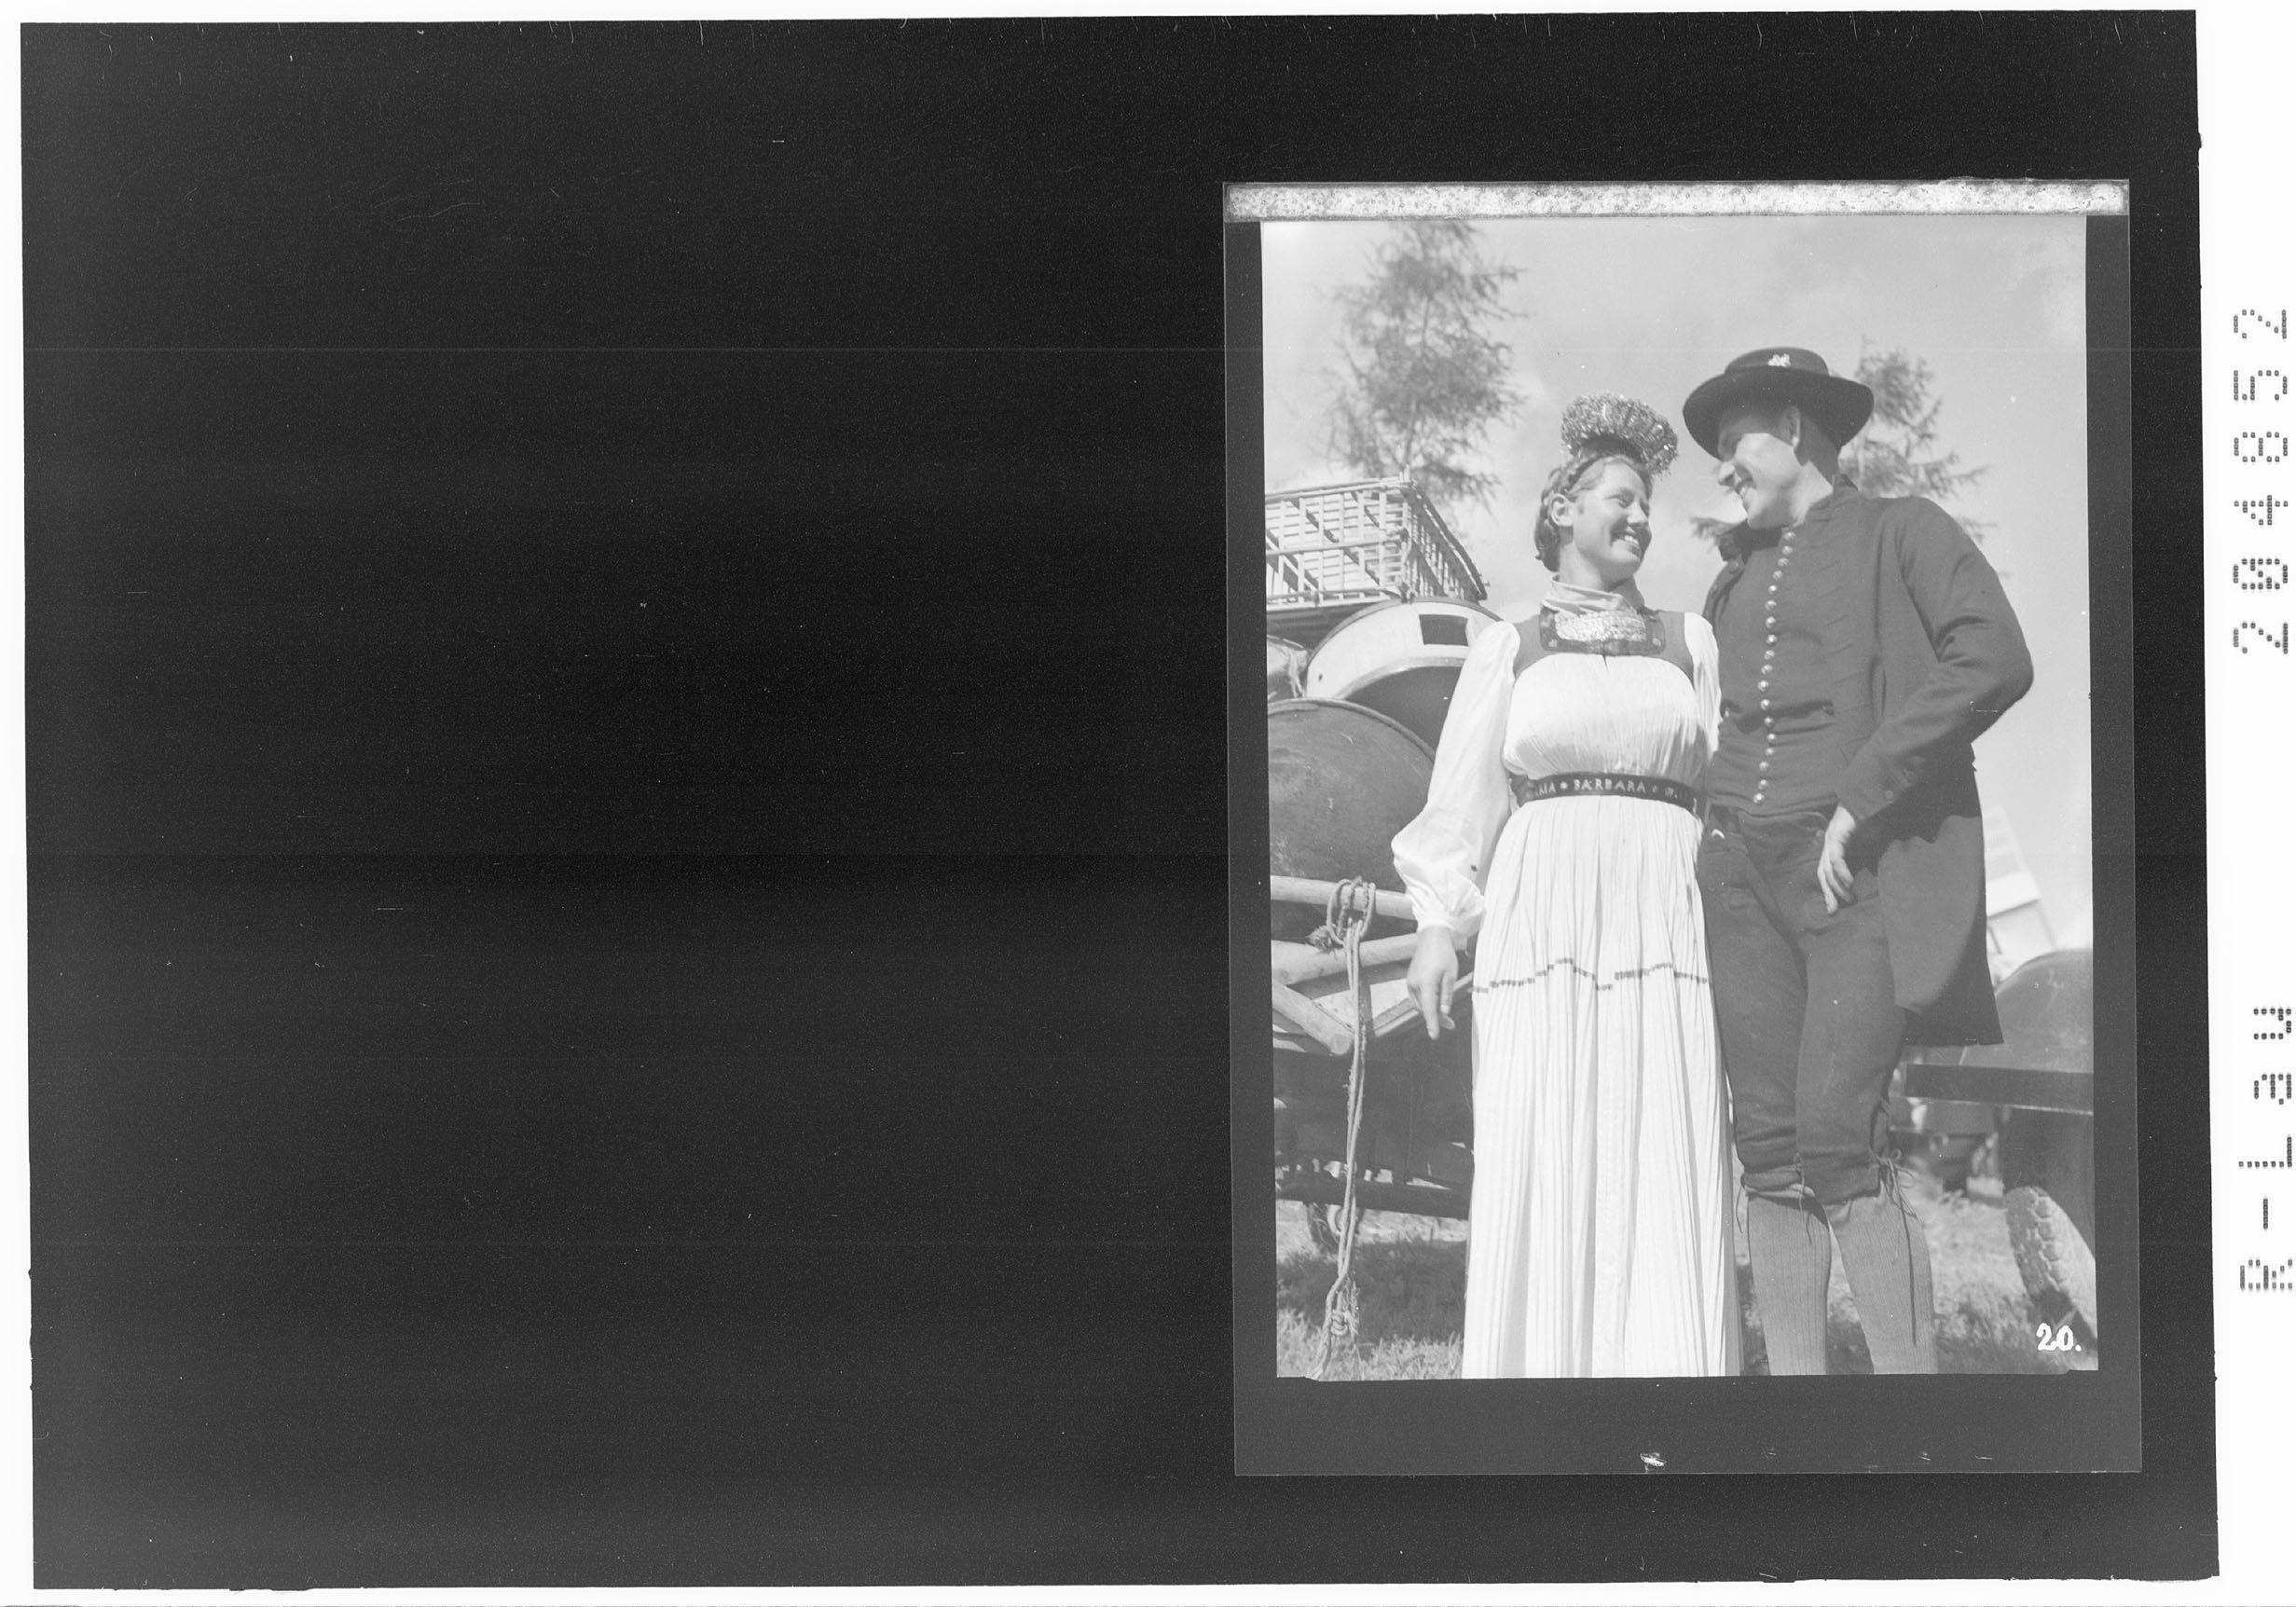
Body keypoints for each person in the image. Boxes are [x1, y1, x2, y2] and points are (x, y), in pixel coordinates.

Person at [1681, 347, 2033, 1374]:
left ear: (1794, 428)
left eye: (1733, 441)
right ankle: (1797, 1402)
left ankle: (1907, 1412)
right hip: (1738, 873)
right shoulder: (1728, 580)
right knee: (1769, 1150)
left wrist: (1861, 794)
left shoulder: (1902, 530)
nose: (1721, 468)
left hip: (1853, 874)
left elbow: (1994, 654)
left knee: (1837, 1142)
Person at [1395, 395, 1740, 1378]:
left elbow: (1720, 789)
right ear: (1562, 511)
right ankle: (1537, 1382)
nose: (1639, 518)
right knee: (1544, 1124)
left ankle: (1669, 1379)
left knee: (1663, 1123)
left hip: (1664, 908)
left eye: (1646, 505)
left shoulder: (1689, 642)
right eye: (1620, 499)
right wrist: (1438, 925)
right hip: (1542, 910)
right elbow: (1461, 801)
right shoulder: (1509, 645)